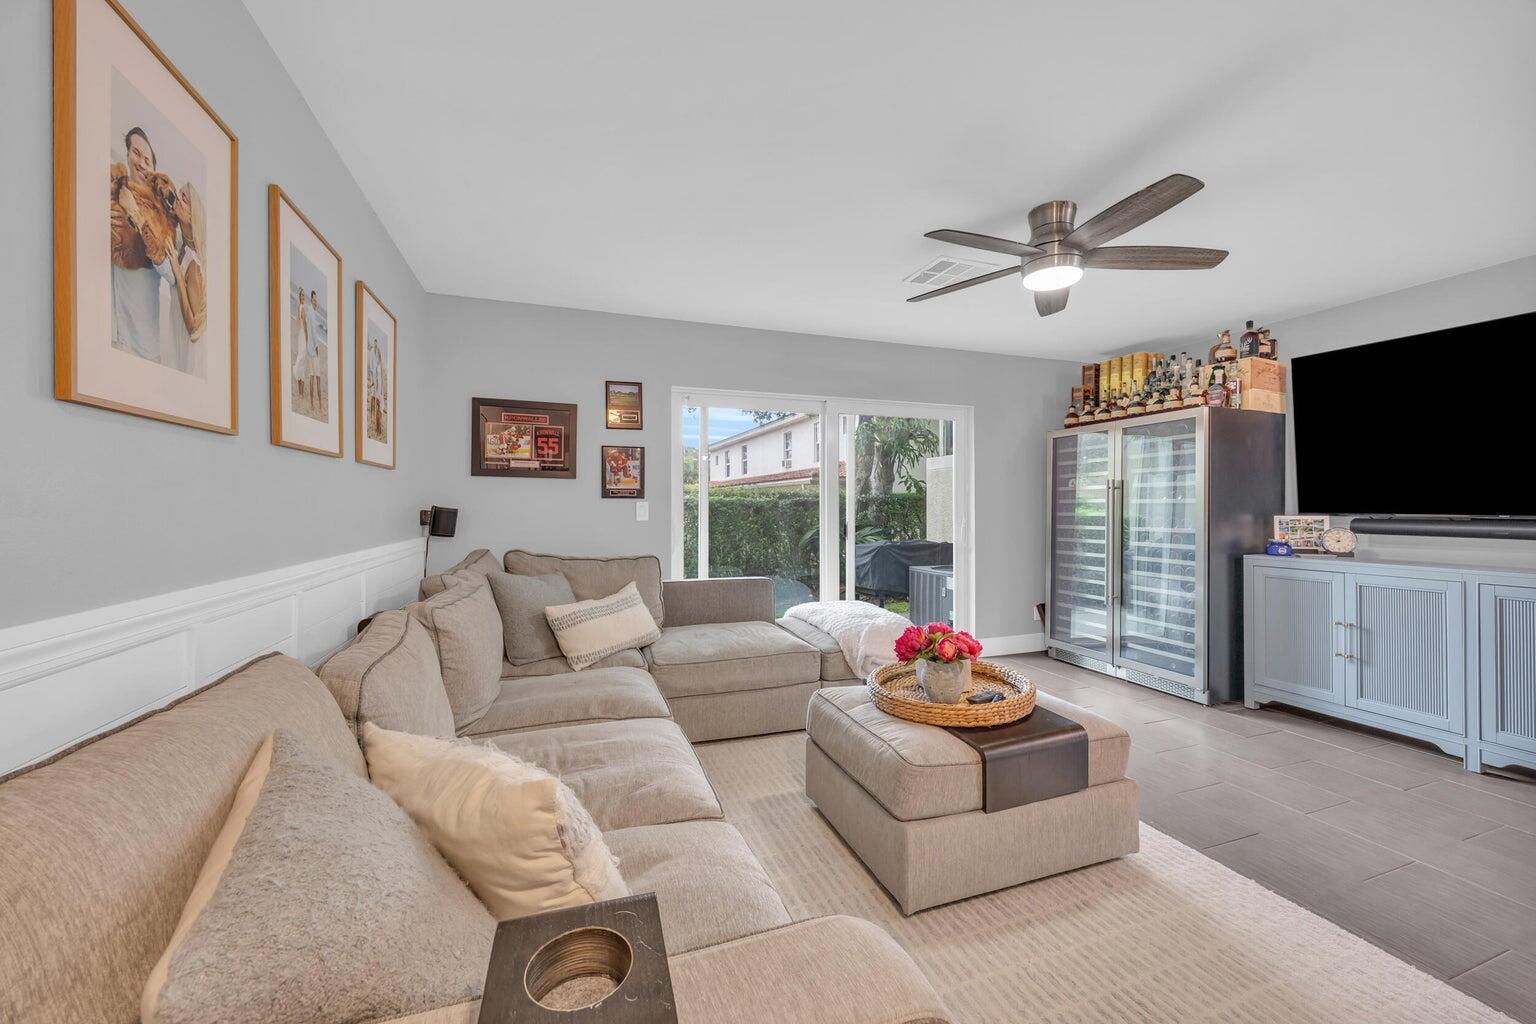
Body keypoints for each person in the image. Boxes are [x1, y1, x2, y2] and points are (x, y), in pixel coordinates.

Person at [111, 127, 175, 364]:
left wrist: (135, 213)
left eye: (147, 159)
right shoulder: (112, 192)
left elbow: (171, 273)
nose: (141, 162)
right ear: (127, 154)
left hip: (144, 345)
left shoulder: (161, 214)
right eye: (136, 153)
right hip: (112, 332)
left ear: (154, 169)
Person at [163, 182, 207, 377]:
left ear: (192, 215)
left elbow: (193, 328)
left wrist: (179, 275)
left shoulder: (194, 264)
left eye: (183, 198)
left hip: (189, 351)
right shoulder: (180, 244)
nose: (177, 199)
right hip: (175, 335)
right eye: (178, 194)